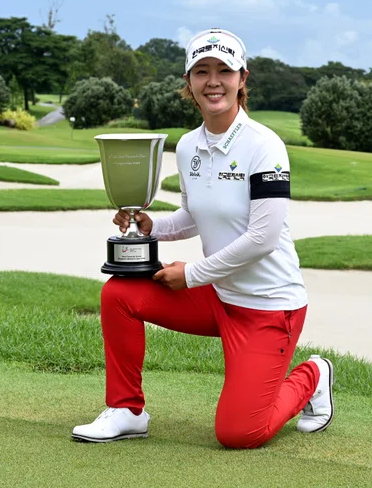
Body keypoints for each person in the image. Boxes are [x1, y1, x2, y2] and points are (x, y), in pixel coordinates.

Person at [72, 28, 334, 449]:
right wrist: (147, 225)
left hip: (268, 307)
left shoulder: (265, 146)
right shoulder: (190, 145)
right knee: (118, 294)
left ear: (242, 78)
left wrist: (192, 274)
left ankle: (313, 375)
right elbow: (194, 215)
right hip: (218, 298)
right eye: (202, 71)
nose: (213, 81)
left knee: (239, 434)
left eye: (224, 71)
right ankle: (127, 410)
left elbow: (263, 238)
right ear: (189, 82)